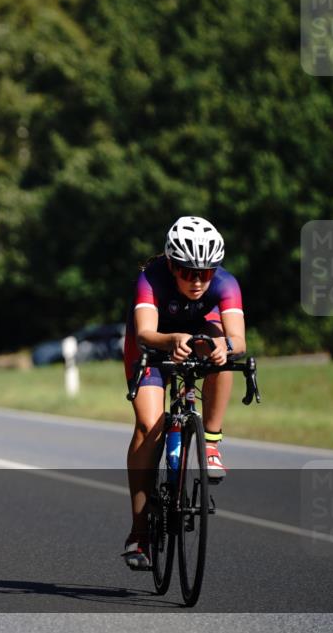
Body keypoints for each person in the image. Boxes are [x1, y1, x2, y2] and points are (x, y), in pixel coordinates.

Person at [121, 216, 246, 570]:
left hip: (198, 338)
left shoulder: (226, 284)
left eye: (205, 273)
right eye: (187, 271)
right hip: (153, 344)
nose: (196, 280)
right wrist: (171, 340)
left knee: (219, 347)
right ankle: (139, 531)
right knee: (149, 426)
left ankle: (210, 441)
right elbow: (145, 332)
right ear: (172, 264)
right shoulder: (151, 278)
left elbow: (239, 339)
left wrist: (225, 347)